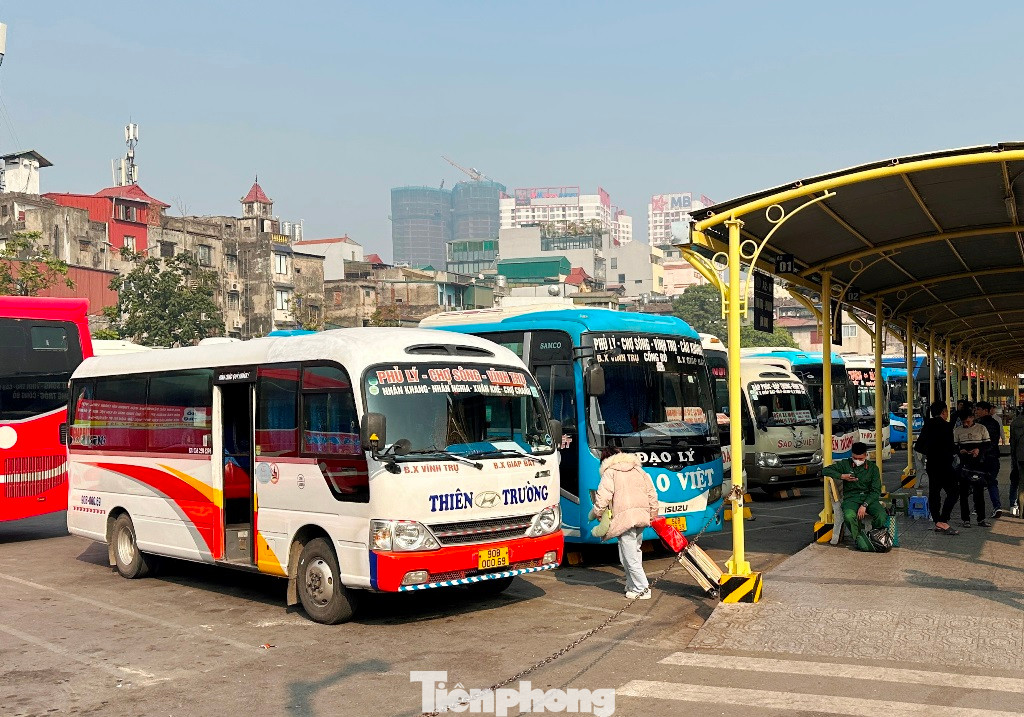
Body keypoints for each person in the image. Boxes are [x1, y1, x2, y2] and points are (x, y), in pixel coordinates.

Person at [591, 449, 659, 600]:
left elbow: (603, 496)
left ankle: (642, 589)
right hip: (642, 516)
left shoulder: (610, 473)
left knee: (629, 556)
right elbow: (652, 493)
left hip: (624, 518)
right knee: (633, 552)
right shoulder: (638, 470)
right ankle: (631, 585)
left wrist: (597, 512)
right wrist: (653, 513)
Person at [823, 442, 887, 552]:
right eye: (854, 458)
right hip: (851, 498)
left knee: (881, 515)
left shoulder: (873, 468)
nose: (857, 461)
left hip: (869, 499)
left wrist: (864, 505)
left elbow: (875, 491)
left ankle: (873, 535)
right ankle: (858, 539)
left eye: (860, 458)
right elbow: (825, 470)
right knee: (848, 516)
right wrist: (842, 476)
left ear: (866, 455)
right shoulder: (845, 464)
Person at [920, 400, 959, 535]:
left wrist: (931, 452)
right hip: (945, 465)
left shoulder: (927, 425)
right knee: (954, 492)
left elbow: (918, 446)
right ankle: (942, 520)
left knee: (934, 493)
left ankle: (937, 520)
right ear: (944, 412)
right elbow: (951, 447)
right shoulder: (947, 427)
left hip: (932, 465)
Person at [953, 412, 990, 527]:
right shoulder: (957, 431)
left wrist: (978, 450)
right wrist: (961, 451)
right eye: (964, 422)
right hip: (964, 465)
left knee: (979, 492)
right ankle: (966, 519)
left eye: (968, 421)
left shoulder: (981, 428)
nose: (966, 424)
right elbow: (954, 446)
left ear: (972, 418)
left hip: (978, 465)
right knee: (963, 493)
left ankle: (981, 518)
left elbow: (988, 444)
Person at [975, 402, 1003, 518]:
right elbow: (994, 441)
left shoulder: (978, 424)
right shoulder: (995, 423)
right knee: (992, 482)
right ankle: (997, 506)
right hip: (993, 457)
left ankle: (978, 508)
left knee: (978, 484)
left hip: (982, 458)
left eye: (979, 409)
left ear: (986, 411)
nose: (976, 411)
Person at [1009, 407, 1024, 512]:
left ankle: (1022, 511)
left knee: (1022, 484)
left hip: (1021, 456)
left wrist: (1014, 458)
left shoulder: (1015, 422)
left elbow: (1013, 444)